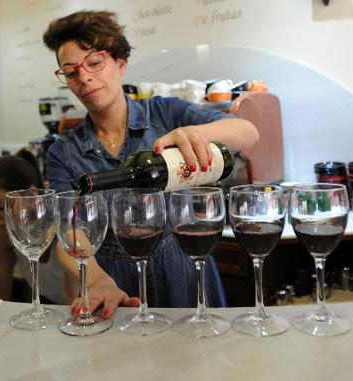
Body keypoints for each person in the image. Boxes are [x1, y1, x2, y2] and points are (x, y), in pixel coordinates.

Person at [42, 10, 260, 318]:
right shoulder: (62, 151)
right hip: (113, 285)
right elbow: (66, 227)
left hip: (183, 270)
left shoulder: (165, 113)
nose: (84, 78)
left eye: (94, 63)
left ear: (120, 63)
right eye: (71, 71)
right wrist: (95, 278)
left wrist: (196, 133)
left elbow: (247, 133)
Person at [0, 149, 68, 304]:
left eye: (1, 206)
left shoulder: (65, 222)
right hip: (47, 306)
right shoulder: (1, 230)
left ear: (32, 194)